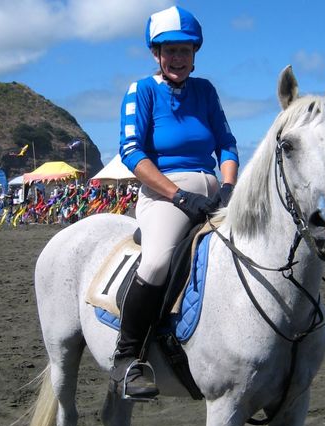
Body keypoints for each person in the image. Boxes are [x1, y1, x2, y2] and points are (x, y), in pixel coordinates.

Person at [116, 5, 239, 399]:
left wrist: (230, 186)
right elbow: (132, 152)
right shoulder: (142, 90)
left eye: (185, 50)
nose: (178, 58)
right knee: (155, 263)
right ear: (156, 53)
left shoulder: (205, 91)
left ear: (194, 53)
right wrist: (178, 196)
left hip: (213, 191)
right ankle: (128, 356)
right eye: (170, 50)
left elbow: (227, 143)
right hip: (163, 195)